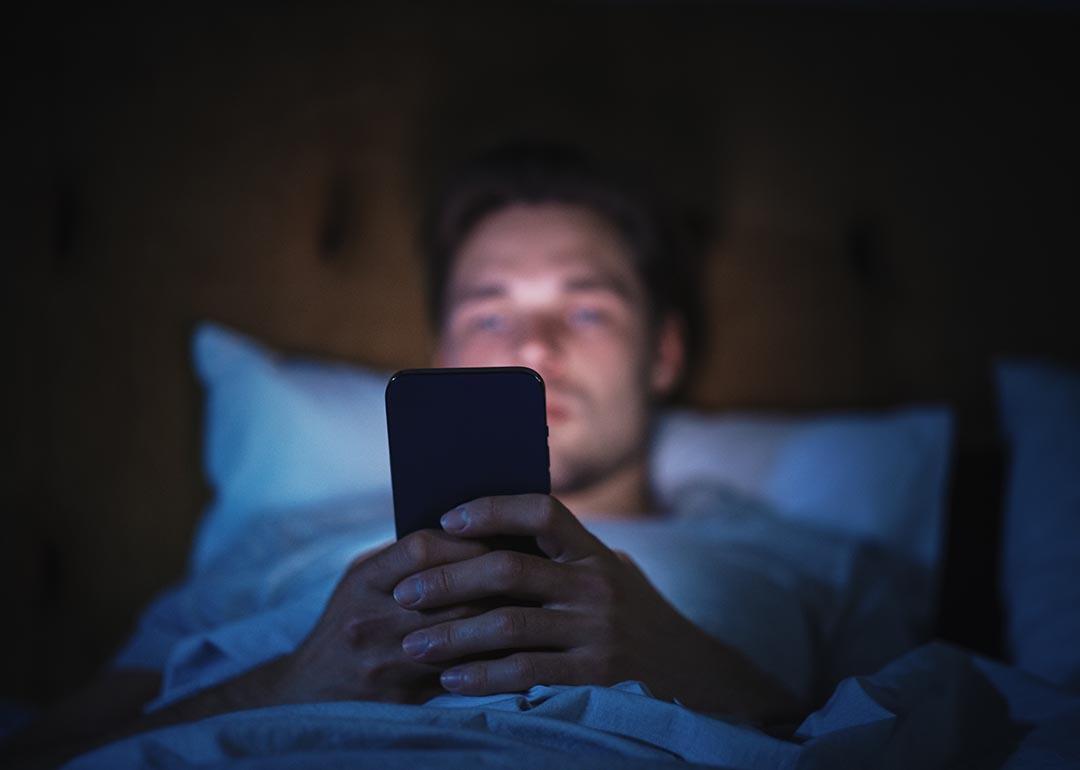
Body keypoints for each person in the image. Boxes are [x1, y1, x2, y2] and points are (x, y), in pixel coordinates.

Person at [4, 145, 913, 768]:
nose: (538, 344)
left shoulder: (818, 560)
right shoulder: (280, 543)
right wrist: (288, 682)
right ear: (444, 352)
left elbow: (933, 748)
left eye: (588, 309)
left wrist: (696, 674)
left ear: (664, 352)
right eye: (490, 311)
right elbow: (48, 753)